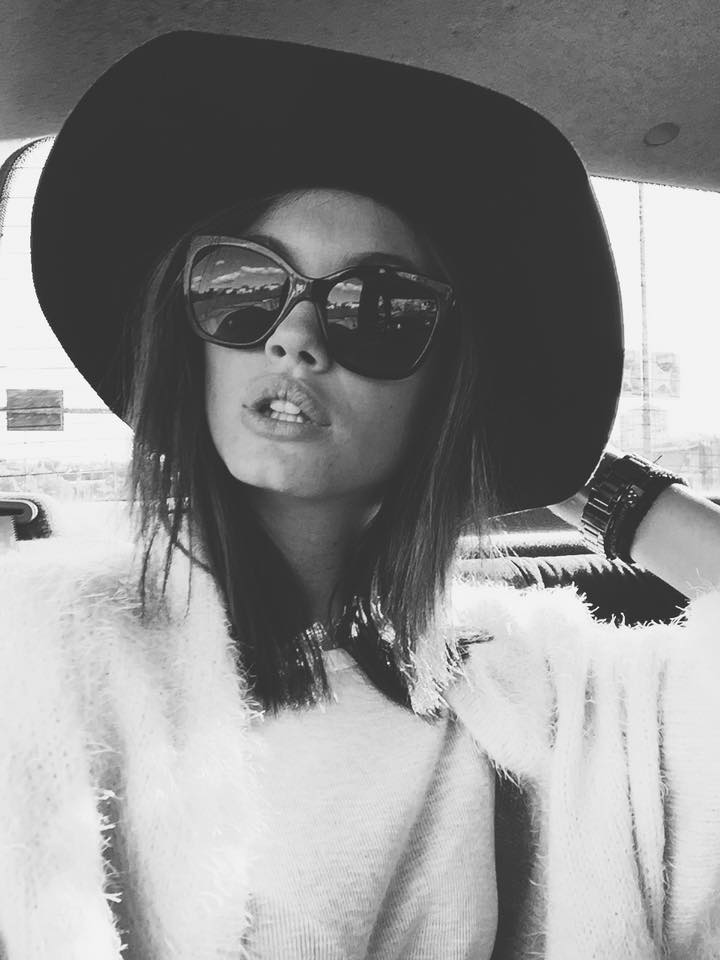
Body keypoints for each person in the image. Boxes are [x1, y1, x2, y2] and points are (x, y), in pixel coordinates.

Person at [2, 29, 720, 960]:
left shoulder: (519, 681)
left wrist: (575, 468)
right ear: (187, 336)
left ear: (447, 389)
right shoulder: (45, 641)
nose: (294, 338)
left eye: (378, 309)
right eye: (242, 286)